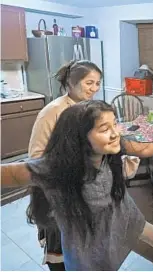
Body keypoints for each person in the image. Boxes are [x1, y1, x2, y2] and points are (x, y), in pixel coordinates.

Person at [2, 100, 153, 270]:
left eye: (115, 124)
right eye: (104, 128)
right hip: (87, 238)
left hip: (121, 210)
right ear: (80, 137)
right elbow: (10, 174)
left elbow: (144, 149)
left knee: (146, 230)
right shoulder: (54, 168)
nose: (115, 133)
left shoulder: (110, 150)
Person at [27, 60, 140, 270]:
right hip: (62, 191)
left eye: (98, 83)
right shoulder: (52, 111)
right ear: (71, 82)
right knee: (61, 247)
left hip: (82, 193)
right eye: (89, 82)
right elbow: (37, 157)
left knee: (85, 247)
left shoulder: (85, 109)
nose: (95, 89)